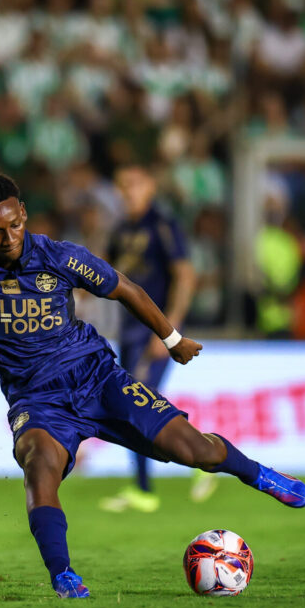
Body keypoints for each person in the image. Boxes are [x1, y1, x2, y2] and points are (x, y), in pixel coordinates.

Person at [0, 174, 305, 598]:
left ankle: (262, 476)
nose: (6, 239)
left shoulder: (60, 257)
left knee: (195, 451)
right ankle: (63, 574)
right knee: (39, 466)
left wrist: (171, 339)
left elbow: (125, 288)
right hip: (36, 399)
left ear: (23, 214)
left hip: (96, 377)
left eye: (13, 226)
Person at [99, 165, 213, 514]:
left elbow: (185, 275)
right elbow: (103, 272)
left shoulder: (162, 226)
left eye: (134, 184)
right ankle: (147, 488)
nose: (127, 191)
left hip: (157, 332)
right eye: (122, 186)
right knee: (136, 407)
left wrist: (170, 331)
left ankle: (204, 457)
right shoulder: (121, 229)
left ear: (150, 185)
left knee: (141, 405)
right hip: (130, 333)